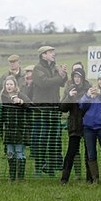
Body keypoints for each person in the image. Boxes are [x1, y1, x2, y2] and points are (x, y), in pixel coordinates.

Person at [31, 46, 68, 177]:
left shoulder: (54, 67)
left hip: (54, 108)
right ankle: (38, 167)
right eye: (50, 52)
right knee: (42, 139)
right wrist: (60, 76)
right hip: (42, 110)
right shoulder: (37, 69)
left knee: (53, 139)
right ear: (43, 55)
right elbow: (45, 83)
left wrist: (63, 74)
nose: (53, 54)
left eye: (53, 52)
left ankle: (50, 167)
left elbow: (62, 83)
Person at [60, 68, 93, 184]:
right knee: (71, 152)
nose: (77, 79)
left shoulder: (89, 89)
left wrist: (88, 97)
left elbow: (92, 106)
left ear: (83, 78)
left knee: (89, 152)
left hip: (87, 124)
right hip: (74, 124)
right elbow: (62, 108)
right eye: (75, 77)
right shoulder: (70, 89)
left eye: (79, 77)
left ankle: (90, 178)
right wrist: (69, 97)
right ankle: (64, 178)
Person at [0, 76, 31, 181]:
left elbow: (30, 105)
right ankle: (12, 176)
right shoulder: (3, 97)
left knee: (19, 152)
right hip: (8, 130)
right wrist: (0, 130)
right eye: (7, 84)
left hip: (20, 129)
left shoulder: (20, 95)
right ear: (4, 86)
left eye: (11, 84)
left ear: (15, 85)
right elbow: (1, 115)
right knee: (10, 153)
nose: (9, 86)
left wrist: (21, 102)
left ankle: (20, 177)